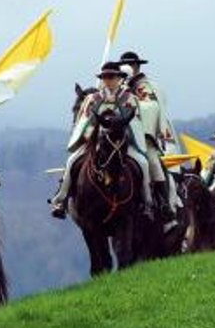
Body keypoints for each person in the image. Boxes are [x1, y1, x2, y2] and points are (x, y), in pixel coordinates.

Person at [51, 62, 154, 218]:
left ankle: (147, 202)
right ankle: (61, 199)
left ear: (119, 78)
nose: (108, 80)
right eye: (105, 77)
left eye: (111, 76)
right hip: (96, 142)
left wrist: (122, 129)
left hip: (122, 142)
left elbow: (135, 122)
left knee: (144, 164)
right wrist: (92, 133)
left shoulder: (130, 98)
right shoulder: (93, 99)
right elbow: (84, 120)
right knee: (72, 161)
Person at [120, 51, 178, 219]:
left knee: (152, 161)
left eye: (131, 65)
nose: (129, 68)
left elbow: (151, 108)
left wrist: (131, 102)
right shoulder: (115, 86)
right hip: (118, 137)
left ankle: (164, 202)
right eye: (126, 65)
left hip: (143, 138)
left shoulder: (146, 87)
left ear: (137, 66)